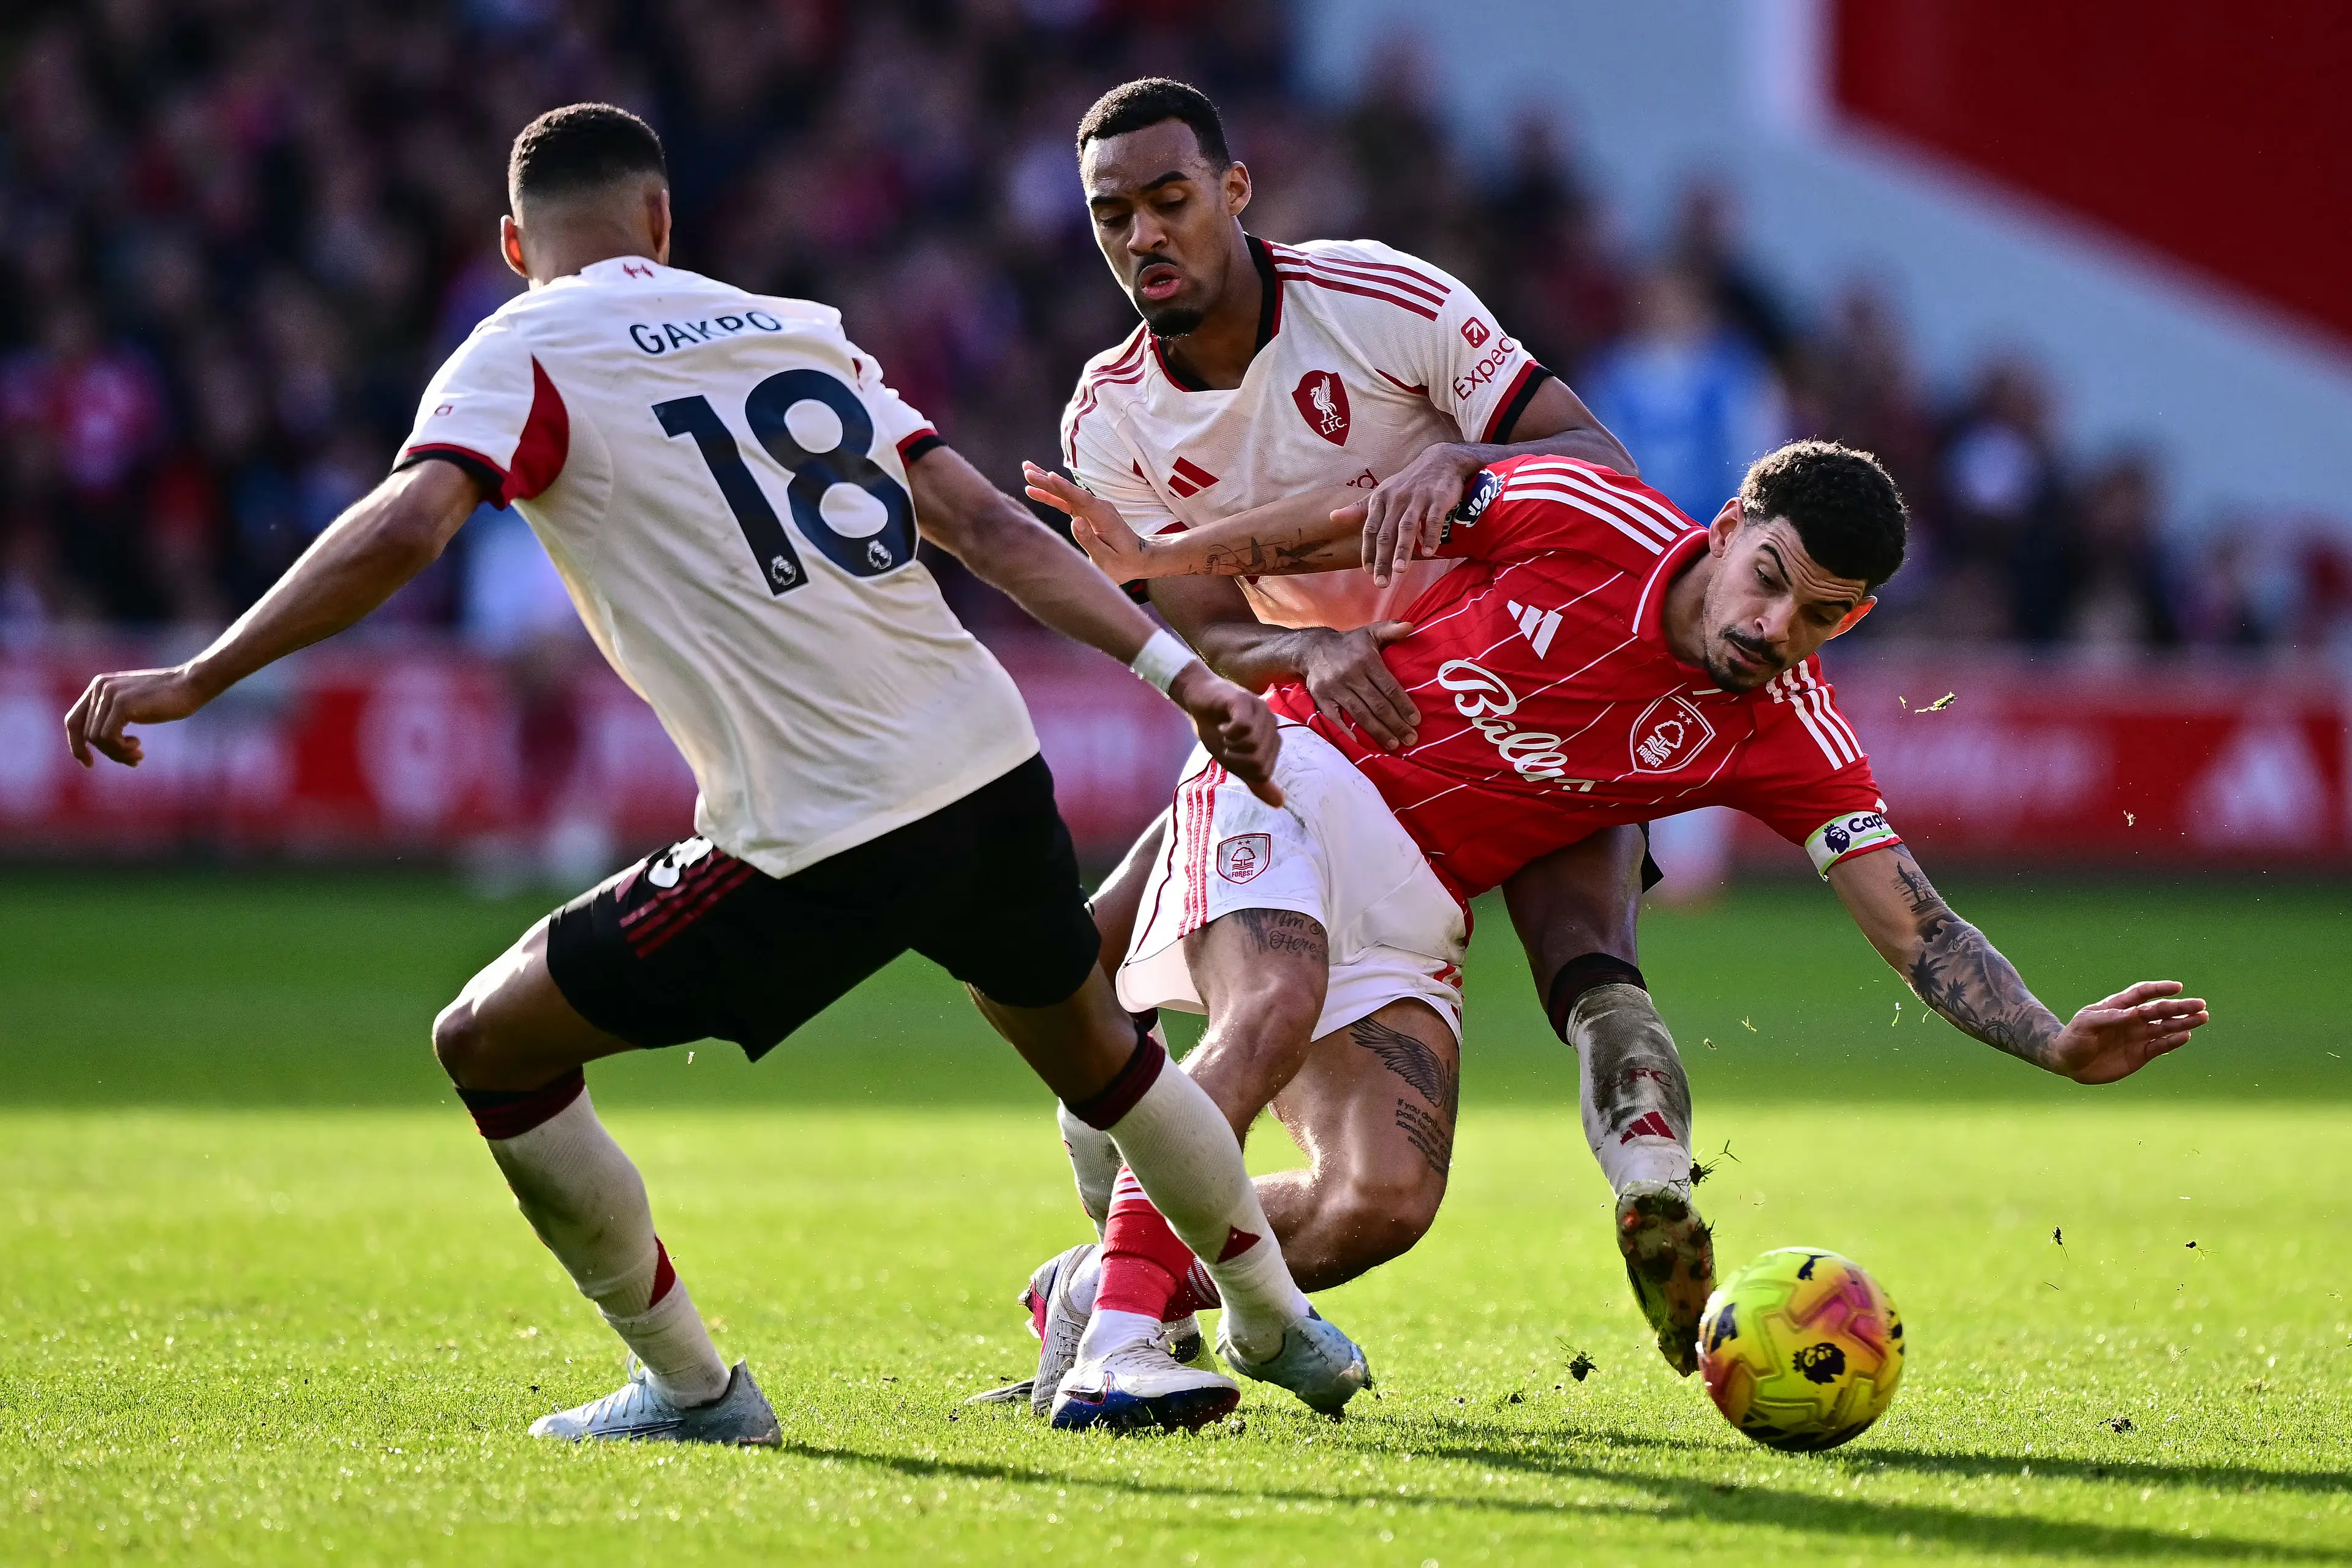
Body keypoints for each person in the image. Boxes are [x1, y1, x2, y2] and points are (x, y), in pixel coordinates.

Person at [61, 102, 1373, 1444]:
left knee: (488, 1042)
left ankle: (694, 1388)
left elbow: (411, 521)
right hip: (984, 764)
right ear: (663, 224)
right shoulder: (793, 324)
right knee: (1103, 1055)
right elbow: (982, 523)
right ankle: (1277, 1319)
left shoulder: (522, 347)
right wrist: (1185, 674)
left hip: (821, 822)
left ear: (517, 243)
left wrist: (202, 672)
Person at [1035, 438, 2209, 1391]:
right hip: (1298, 773)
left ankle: (1104, 1279)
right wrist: (1161, 556)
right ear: (1732, 524)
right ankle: (1118, 1354)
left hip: (1417, 900)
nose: (1774, 629)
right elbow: (1354, 514)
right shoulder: (1588, 514)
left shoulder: (1787, 728)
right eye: (1771, 580)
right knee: (1271, 1007)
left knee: (1381, 1205)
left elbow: (1920, 928)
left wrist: (2051, 1039)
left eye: (1824, 616)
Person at [1022, 78, 1715, 1428]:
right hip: (1327, 744)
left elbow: (1599, 463)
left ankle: (1651, 1178)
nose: (1144, 235)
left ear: (1236, 193)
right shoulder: (1108, 423)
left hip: (1517, 687)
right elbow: (1212, 633)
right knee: (1211, 993)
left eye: (1170, 199)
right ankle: (1119, 1289)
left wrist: (1463, 459)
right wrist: (1305, 655)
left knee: (1570, 980)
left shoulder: (1384, 298)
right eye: (1113, 216)